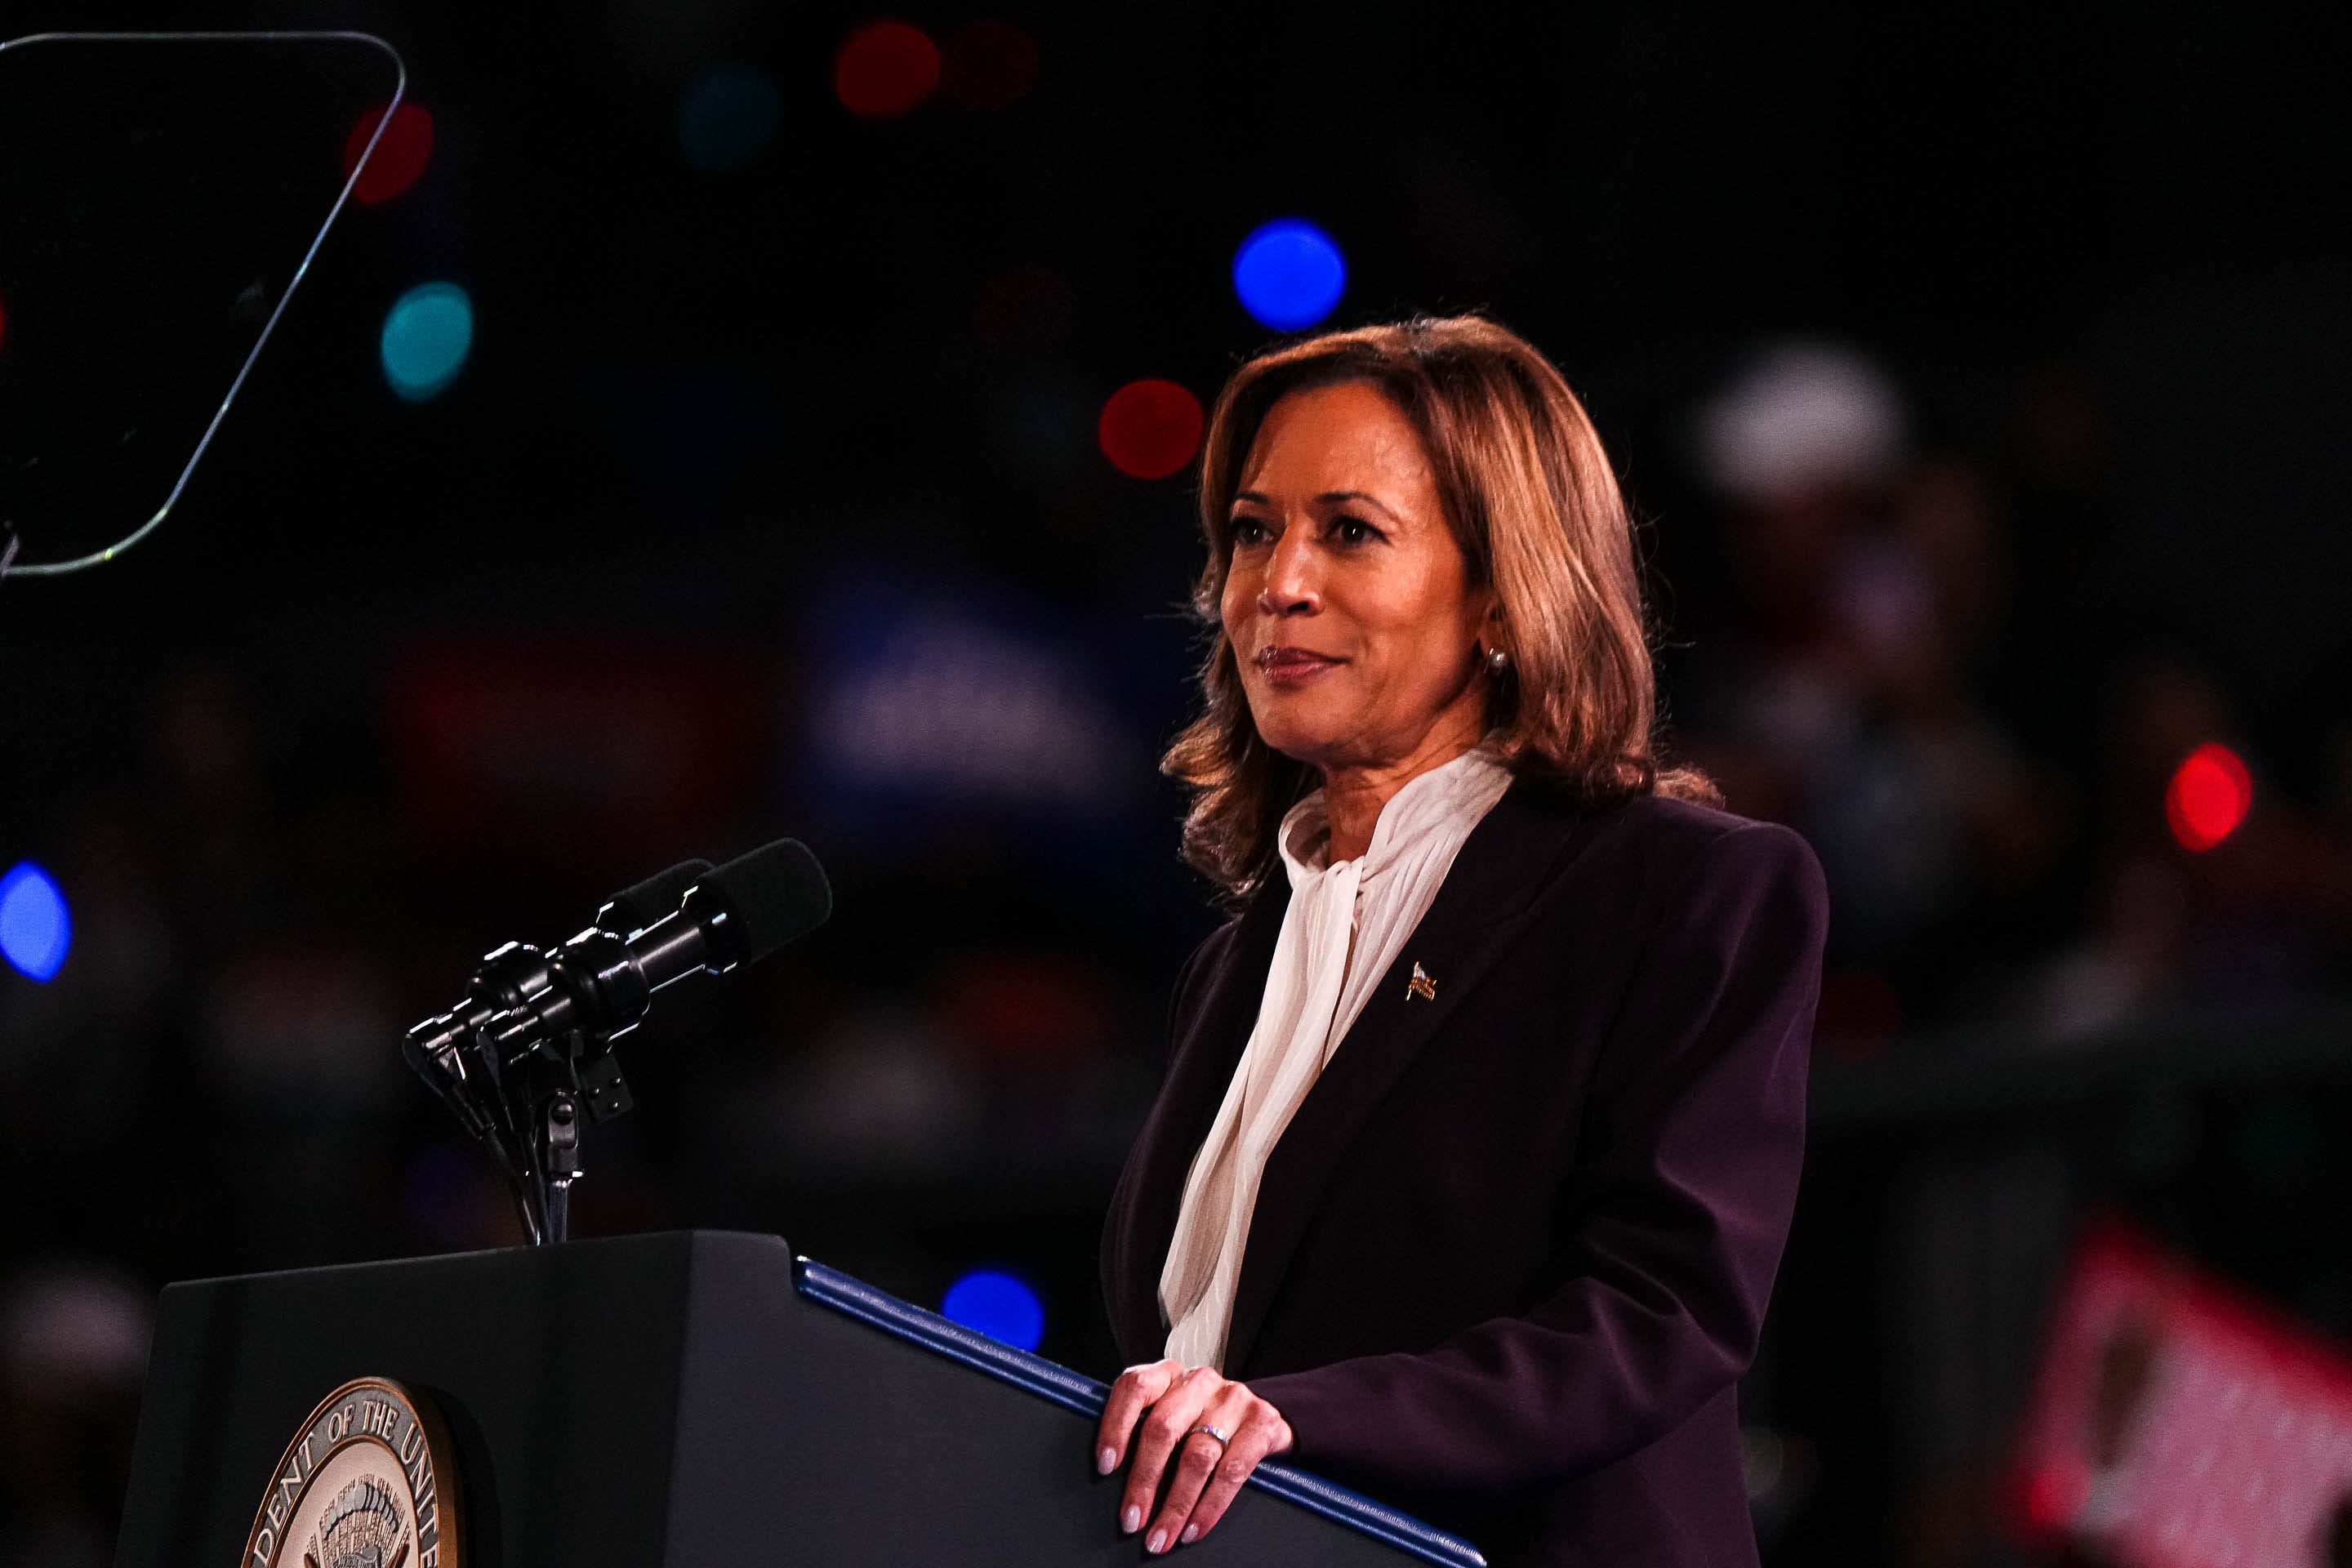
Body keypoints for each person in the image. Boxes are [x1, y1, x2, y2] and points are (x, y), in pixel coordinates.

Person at [1094, 314, 1829, 1566]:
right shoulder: (1238, 961)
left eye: (1350, 531)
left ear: (1499, 592)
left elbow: (1657, 1317)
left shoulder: (1685, 891)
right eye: (1255, 531)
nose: (1277, 584)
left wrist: (1293, 1421)